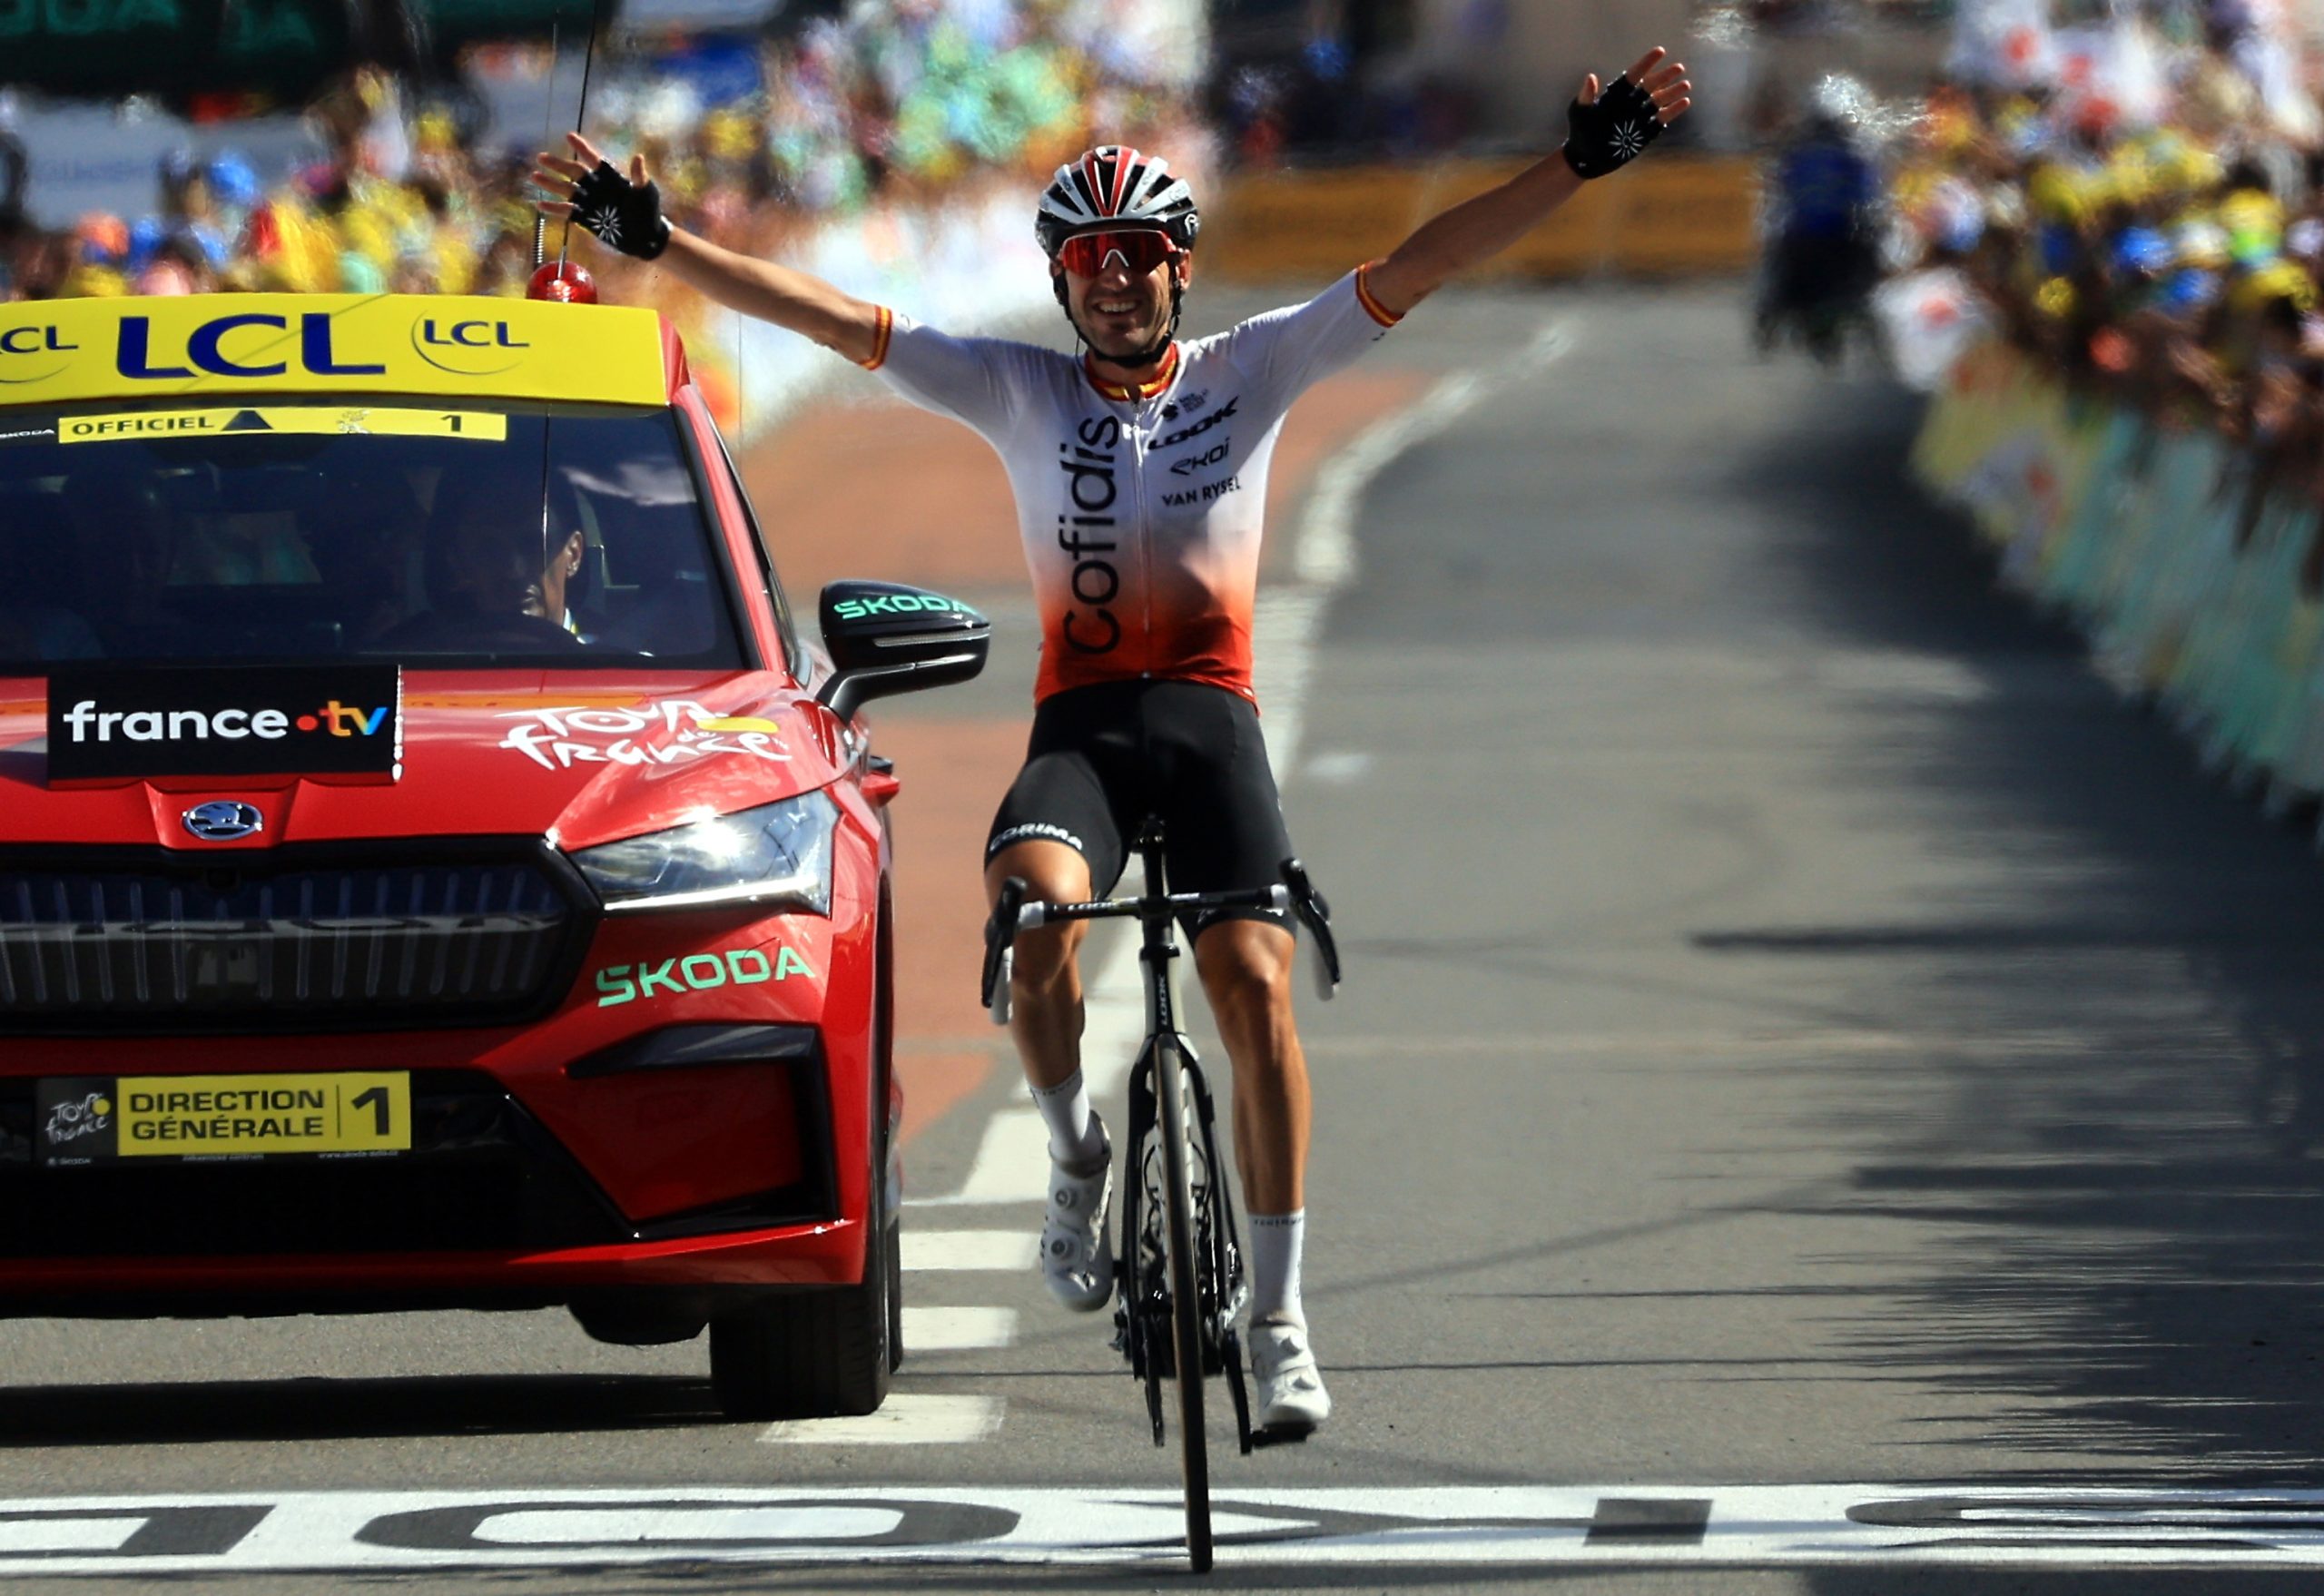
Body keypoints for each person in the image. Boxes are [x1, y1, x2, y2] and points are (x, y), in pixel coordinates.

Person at [536, 47, 1689, 1433]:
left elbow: (1426, 258)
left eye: (1140, 253)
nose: (1115, 276)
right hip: (1081, 728)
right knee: (1032, 921)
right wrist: (665, 243)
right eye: (1088, 256)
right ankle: (1078, 1154)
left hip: (1211, 723)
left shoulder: (1254, 370)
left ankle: (1277, 1319)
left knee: (1255, 987)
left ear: (1179, 271)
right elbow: (841, 323)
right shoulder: (1019, 389)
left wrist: (1575, 165)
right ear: (1062, 277)